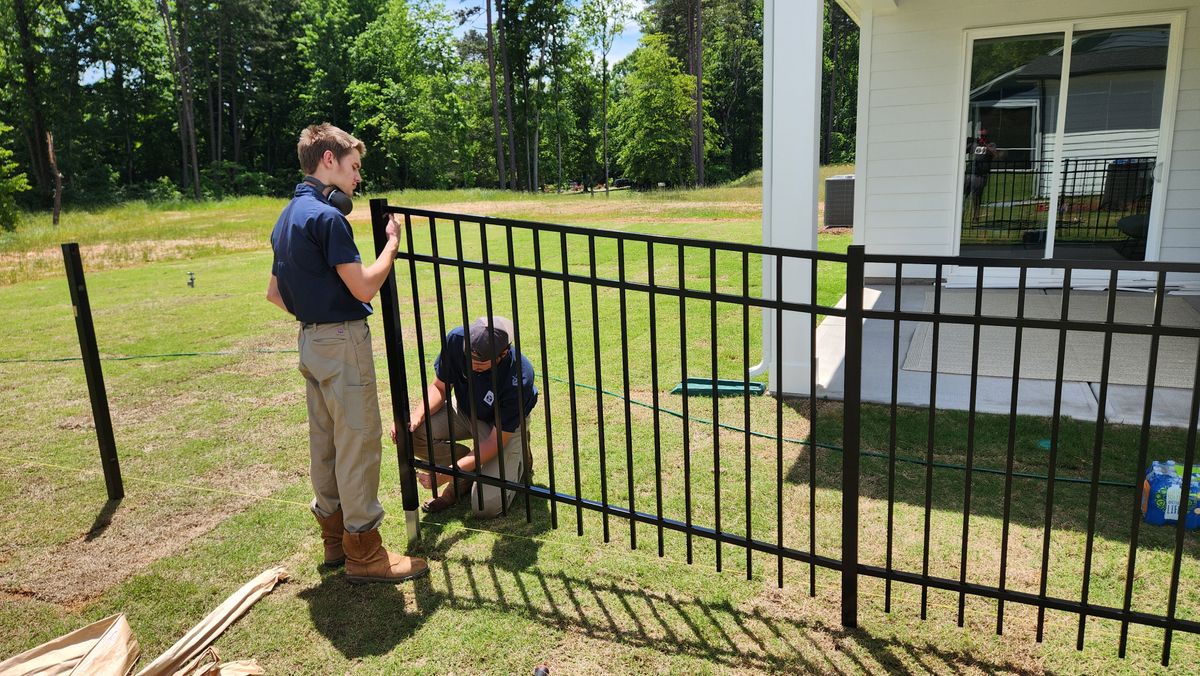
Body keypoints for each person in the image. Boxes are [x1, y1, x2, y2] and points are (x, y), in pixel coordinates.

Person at [267, 123, 427, 584]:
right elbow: (362, 284)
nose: (358, 178)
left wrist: (315, 310)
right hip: (342, 341)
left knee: (326, 444)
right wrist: (392, 244)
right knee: (357, 442)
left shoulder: (287, 217)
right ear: (329, 160)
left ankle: (334, 540)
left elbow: (275, 292)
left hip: (310, 341)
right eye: (355, 168)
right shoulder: (327, 218)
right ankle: (365, 552)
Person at [397, 316, 538, 517]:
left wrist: (447, 472)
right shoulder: (456, 339)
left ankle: (519, 454)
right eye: (469, 358)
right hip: (464, 410)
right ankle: (465, 471)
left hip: (500, 429)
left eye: (480, 363)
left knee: (485, 507)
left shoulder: (520, 376)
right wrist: (416, 416)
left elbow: (495, 440)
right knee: (412, 434)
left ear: (503, 353)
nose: (471, 365)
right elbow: (440, 387)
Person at [964, 128, 1000, 222]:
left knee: (976, 197)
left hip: (981, 175)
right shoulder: (973, 144)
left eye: (983, 136)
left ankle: (975, 216)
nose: (981, 137)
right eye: (980, 135)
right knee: (963, 194)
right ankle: (961, 215)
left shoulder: (991, 145)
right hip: (969, 172)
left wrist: (985, 144)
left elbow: (995, 155)